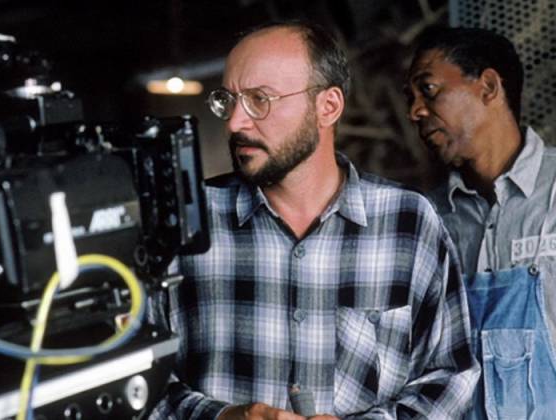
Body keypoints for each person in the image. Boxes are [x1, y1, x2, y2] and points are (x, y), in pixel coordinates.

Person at [149, 21, 479, 419]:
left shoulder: (408, 222)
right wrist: (221, 417)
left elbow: (450, 375)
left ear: (328, 106)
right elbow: (136, 382)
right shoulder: (183, 223)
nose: (235, 122)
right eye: (228, 101)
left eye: (259, 99)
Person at [406, 26, 556, 419]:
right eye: (411, 98)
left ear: (488, 86)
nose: (415, 111)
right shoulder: (427, 222)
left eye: (429, 89)